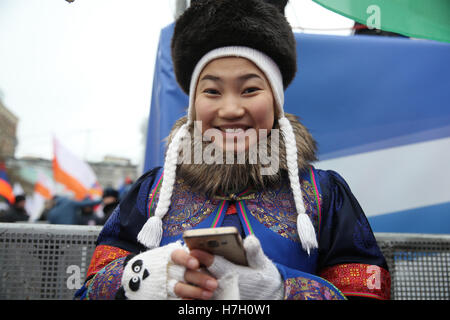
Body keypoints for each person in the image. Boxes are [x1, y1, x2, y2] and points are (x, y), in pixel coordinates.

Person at [76, 0, 390, 300]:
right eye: (212, 91)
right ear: (194, 105)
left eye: (250, 89)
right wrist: (142, 278)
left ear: (276, 100)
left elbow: (367, 291)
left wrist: (279, 289)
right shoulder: (152, 191)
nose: (230, 108)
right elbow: (89, 290)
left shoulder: (324, 195)